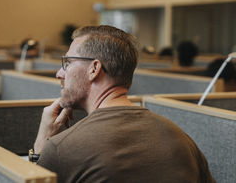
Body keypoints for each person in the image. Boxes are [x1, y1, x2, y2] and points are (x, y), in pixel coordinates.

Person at [32, 25, 215, 183]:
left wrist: (42, 146)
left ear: (94, 69)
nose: (59, 73)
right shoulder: (182, 139)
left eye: (68, 63)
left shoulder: (62, 149)